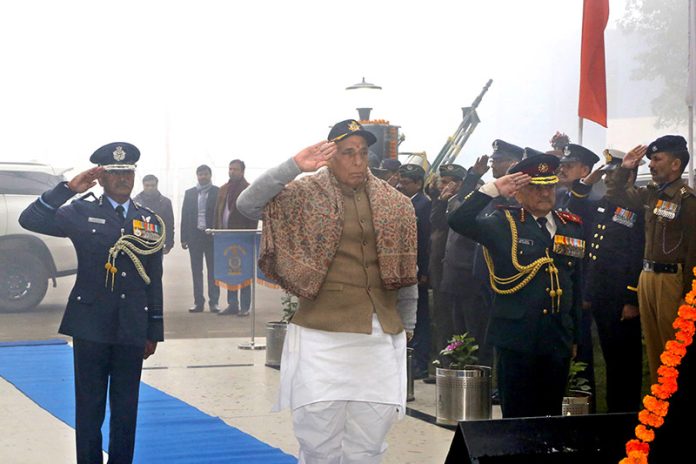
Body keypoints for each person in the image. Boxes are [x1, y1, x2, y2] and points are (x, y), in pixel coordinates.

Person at [236, 118, 417, 463]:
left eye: (363, 153)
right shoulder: (304, 195)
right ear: (331, 156)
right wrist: (293, 167)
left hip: (379, 336)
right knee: (319, 437)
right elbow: (248, 204)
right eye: (348, 153)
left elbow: (407, 272)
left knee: (370, 436)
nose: (358, 161)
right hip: (322, 335)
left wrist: (407, 325)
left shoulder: (396, 204)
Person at [18, 142, 164, 464]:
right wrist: (68, 189)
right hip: (91, 326)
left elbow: (154, 278)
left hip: (131, 328)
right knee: (89, 408)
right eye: (114, 172)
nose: (123, 178)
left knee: (126, 409)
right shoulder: (81, 211)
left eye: (128, 172)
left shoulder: (148, 221)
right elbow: (30, 219)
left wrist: (153, 329)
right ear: (101, 176)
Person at [448, 150, 584, 418]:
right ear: (519, 193)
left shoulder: (571, 227)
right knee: (518, 415)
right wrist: (493, 189)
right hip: (517, 336)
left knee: (550, 415)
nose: (545, 194)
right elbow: (458, 220)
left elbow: (574, 284)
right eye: (535, 188)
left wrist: (575, 334)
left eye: (550, 187)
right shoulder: (503, 223)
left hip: (556, 336)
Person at [606, 136, 696, 462]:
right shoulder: (649, 195)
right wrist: (624, 168)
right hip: (647, 278)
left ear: (676, 164)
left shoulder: (687, 200)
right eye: (651, 159)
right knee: (656, 353)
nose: (651, 164)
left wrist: (690, 296)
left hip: (674, 279)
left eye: (657, 160)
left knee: (676, 352)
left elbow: (693, 251)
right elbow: (615, 195)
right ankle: (660, 418)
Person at [569, 149, 644, 413]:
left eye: (615, 175)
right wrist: (588, 180)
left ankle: (624, 414)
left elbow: (637, 255)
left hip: (621, 298)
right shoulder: (600, 205)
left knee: (624, 363)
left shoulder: (635, 209)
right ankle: (611, 414)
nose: (609, 180)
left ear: (629, 176)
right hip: (599, 296)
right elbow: (573, 207)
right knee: (610, 359)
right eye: (608, 174)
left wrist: (632, 298)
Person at [397, 163, 431, 379]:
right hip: (406, 268)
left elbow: (426, 241)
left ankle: (420, 362)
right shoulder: (405, 202)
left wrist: (424, 271)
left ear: (419, 183)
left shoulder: (424, 205)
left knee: (420, 318)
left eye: (407, 182)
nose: (401, 185)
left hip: (419, 270)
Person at [213, 159, 258, 316]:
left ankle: (245, 307)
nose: (232, 171)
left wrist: (250, 234)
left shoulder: (249, 189)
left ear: (242, 171)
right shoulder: (223, 189)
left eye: (235, 169)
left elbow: (253, 214)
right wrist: (216, 232)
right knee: (230, 272)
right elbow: (217, 212)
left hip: (243, 238)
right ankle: (232, 304)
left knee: (244, 272)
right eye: (230, 168)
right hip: (225, 237)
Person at [181, 165, 220, 313]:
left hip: (211, 236)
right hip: (194, 237)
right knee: (196, 271)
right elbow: (185, 215)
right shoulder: (190, 193)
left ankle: (214, 302)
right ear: (196, 176)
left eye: (205, 174)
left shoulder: (217, 192)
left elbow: (220, 214)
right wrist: (183, 238)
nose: (202, 177)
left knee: (213, 271)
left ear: (210, 175)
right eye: (200, 174)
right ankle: (198, 302)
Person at [133, 174, 175, 254]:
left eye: (153, 185)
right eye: (147, 185)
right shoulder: (135, 202)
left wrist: (169, 243)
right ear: (143, 185)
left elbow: (169, 224)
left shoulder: (165, 202)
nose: (150, 188)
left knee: (157, 266)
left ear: (157, 185)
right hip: (139, 243)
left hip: (158, 243)